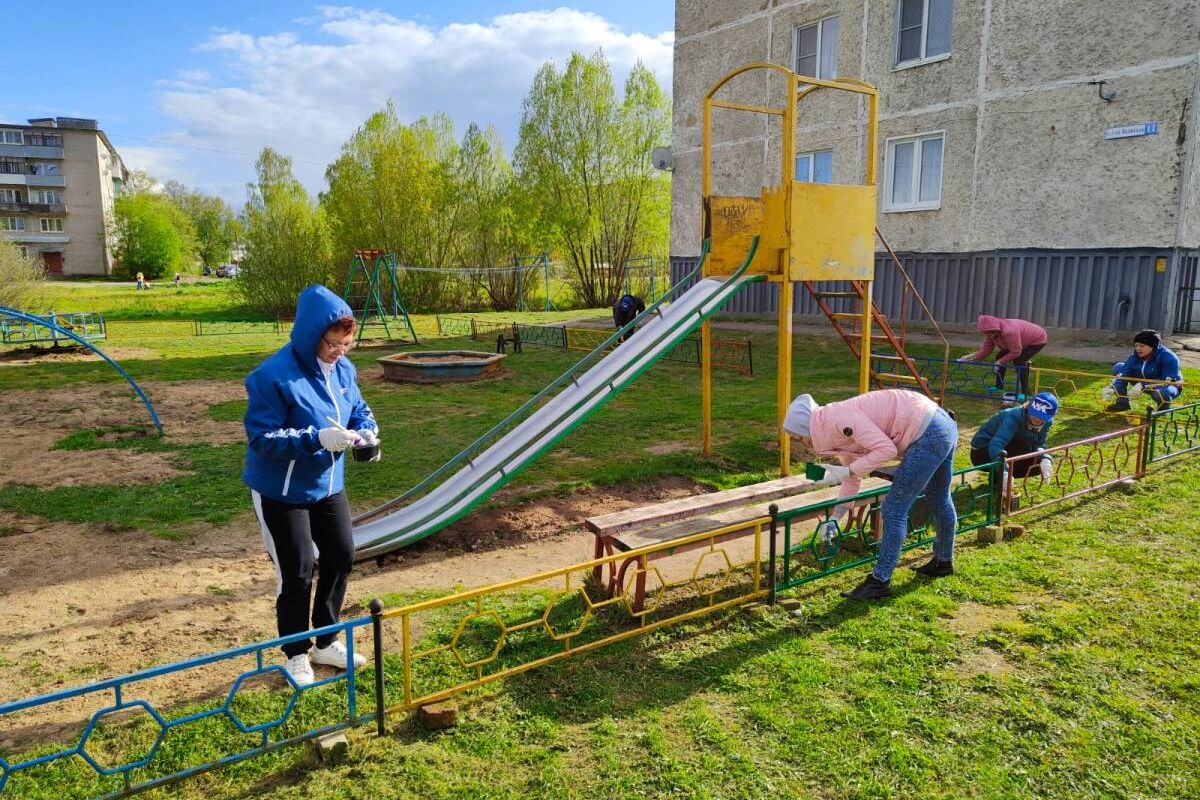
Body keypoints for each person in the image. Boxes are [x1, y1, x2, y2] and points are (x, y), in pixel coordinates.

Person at [243, 284, 380, 686]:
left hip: (327, 483)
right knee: (298, 569)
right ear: (310, 336)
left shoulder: (344, 370)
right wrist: (315, 438)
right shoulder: (272, 376)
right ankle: (296, 652)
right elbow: (261, 439)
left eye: (346, 344)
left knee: (340, 553)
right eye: (333, 344)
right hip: (280, 490)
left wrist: (367, 431)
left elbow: (358, 408)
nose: (340, 352)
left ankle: (325, 640)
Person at [783, 389, 959, 601]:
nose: (801, 442)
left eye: (798, 436)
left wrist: (848, 470)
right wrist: (836, 517)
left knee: (894, 509)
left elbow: (886, 450)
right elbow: (851, 479)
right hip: (940, 425)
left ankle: (879, 582)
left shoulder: (838, 418)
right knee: (939, 497)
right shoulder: (835, 432)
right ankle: (943, 561)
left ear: (807, 427)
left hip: (927, 432)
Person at [970, 392, 1059, 487]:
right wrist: (1003, 471)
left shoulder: (1046, 422)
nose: (1037, 419)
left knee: (1038, 464)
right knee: (1025, 443)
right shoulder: (1014, 417)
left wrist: (1045, 458)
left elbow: (1039, 443)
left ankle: (999, 479)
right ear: (1029, 407)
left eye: (1042, 417)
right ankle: (1000, 477)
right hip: (982, 452)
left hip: (1008, 447)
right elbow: (997, 443)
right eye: (1035, 414)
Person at [963, 314, 1047, 398]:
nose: (987, 336)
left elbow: (1016, 352)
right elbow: (986, 350)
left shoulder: (1009, 332)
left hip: (1037, 339)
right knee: (999, 357)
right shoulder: (990, 333)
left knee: (1019, 361)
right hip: (1020, 340)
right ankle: (999, 386)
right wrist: (971, 357)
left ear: (995, 330)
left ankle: (1026, 393)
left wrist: (1000, 362)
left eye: (988, 333)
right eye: (985, 333)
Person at [1102, 329, 1185, 412]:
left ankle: (1161, 411)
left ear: (1153, 346)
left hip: (1167, 386)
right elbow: (1124, 373)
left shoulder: (1169, 357)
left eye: (1142, 346)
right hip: (1143, 381)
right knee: (1119, 367)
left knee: (1162, 393)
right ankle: (1122, 403)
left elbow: (1169, 381)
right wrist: (1113, 387)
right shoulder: (1136, 355)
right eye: (1136, 345)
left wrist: (1143, 384)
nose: (1138, 349)